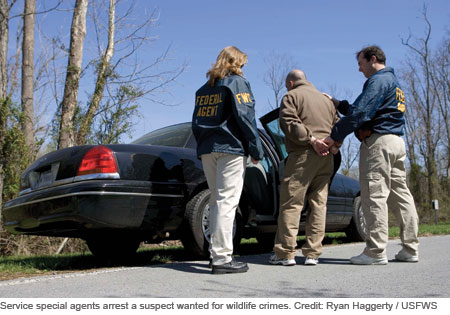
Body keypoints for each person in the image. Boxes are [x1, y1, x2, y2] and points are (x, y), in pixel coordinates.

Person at [323, 45, 419, 265]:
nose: (359, 69)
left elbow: (361, 113)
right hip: (396, 142)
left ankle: (375, 252)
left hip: (379, 144)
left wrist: (335, 135)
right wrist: (338, 104)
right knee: (401, 196)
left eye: (361, 63)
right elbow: (362, 108)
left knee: (374, 195)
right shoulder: (393, 84)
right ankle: (410, 248)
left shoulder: (378, 81)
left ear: (372, 59)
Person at [192, 46, 264, 274]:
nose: (243, 69)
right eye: (242, 65)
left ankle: (216, 254)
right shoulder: (237, 83)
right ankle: (223, 258)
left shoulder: (204, 89)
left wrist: (204, 144)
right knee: (227, 201)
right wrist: (256, 148)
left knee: (216, 201)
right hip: (230, 148)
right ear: (237, 63)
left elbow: (196, 123)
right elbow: (245, 116)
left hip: (207, 149)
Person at [269, 69, 339, 266]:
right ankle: (312, 254)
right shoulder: (326, 100)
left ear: (291, 83)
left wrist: (311, 140)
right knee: (319, 204)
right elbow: (339, 124)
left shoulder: (291, 96)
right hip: (326, 158)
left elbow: (289, 123)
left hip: (302, 155)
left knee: (292, 203)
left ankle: (285, 253)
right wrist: (334, 145)